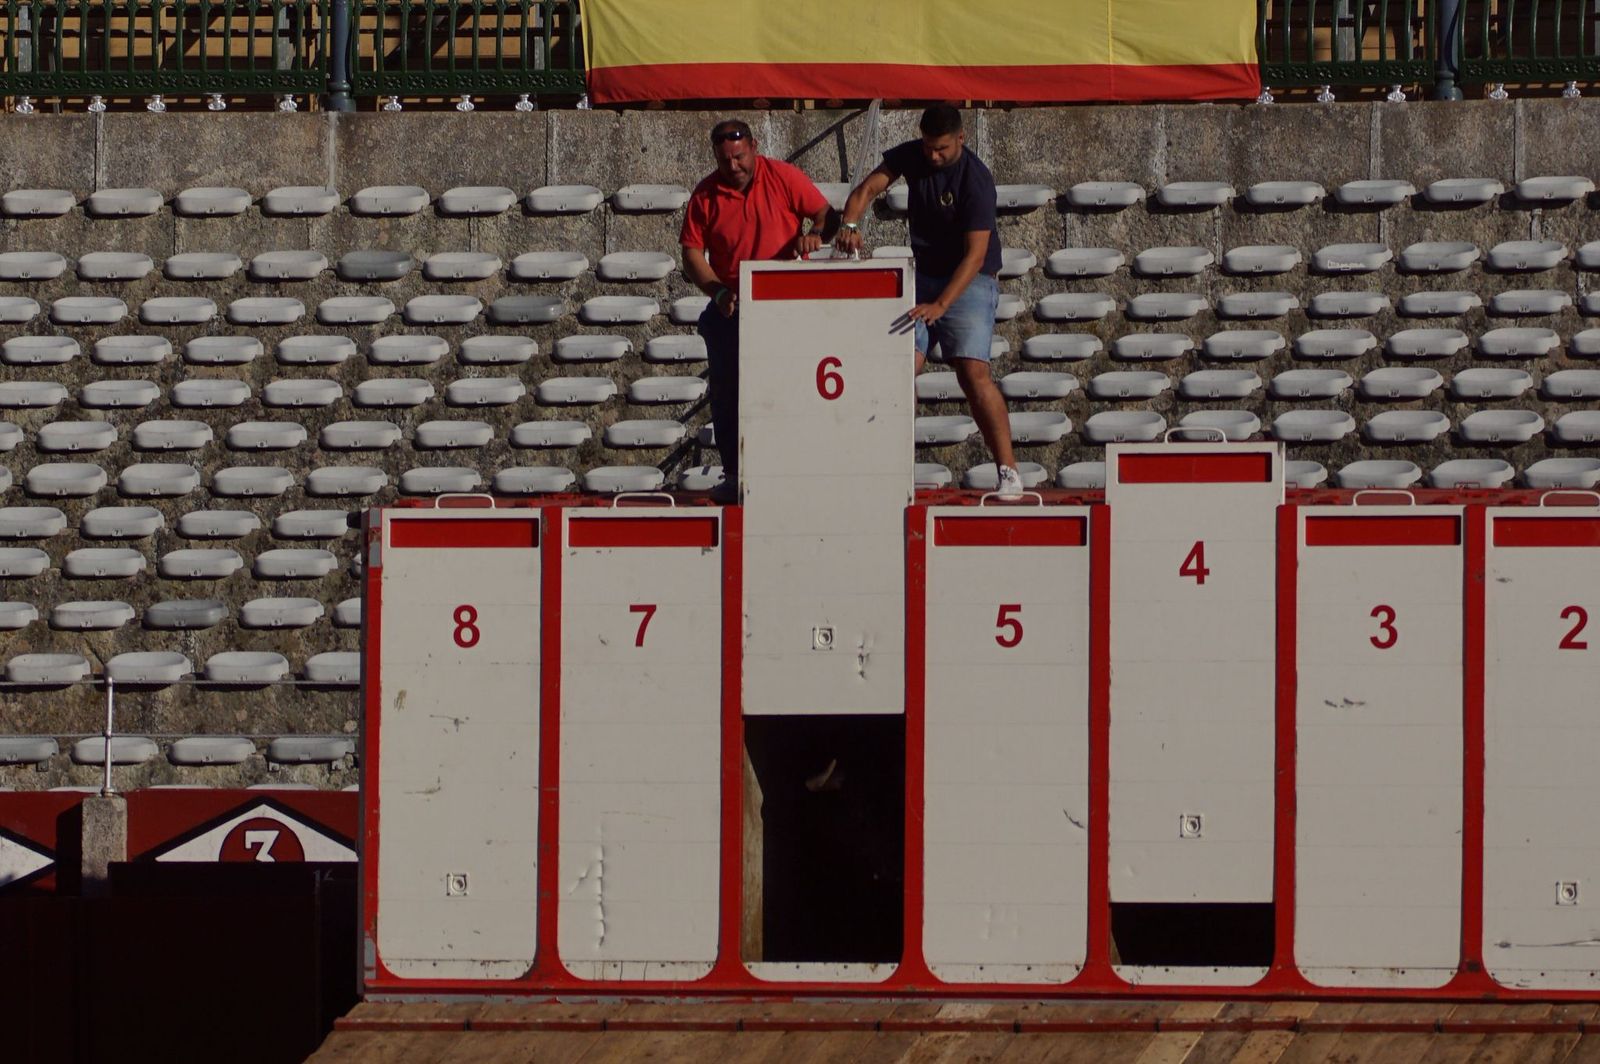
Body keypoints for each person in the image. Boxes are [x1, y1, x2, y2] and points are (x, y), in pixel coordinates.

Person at [835, 104, 1022, 499]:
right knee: (899, 371)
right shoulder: (913, 155)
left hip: (969, 280)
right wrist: (850, 223)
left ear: (960, 139)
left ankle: (1008, 470)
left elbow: (975, 255)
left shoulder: (977, 180)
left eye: (941, 149)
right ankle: (892, 466)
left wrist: (941, 306)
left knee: (973, 373)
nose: (933, 156)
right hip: (923, 276)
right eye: (928, 148)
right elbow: (867, 189)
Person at [681, 118, 834, 501]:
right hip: (733, 303)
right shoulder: (705, 194)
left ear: (754, 146)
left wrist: (813, 237)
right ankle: (735, 474)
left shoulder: (782, 176)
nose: (733, 166)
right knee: (727, 393)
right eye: (724, 160)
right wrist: (716, 292)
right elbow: (691, 253)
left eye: (739, 157)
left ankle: (793, 469)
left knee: (789, 389)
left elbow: (825, 215)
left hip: (784, 303)